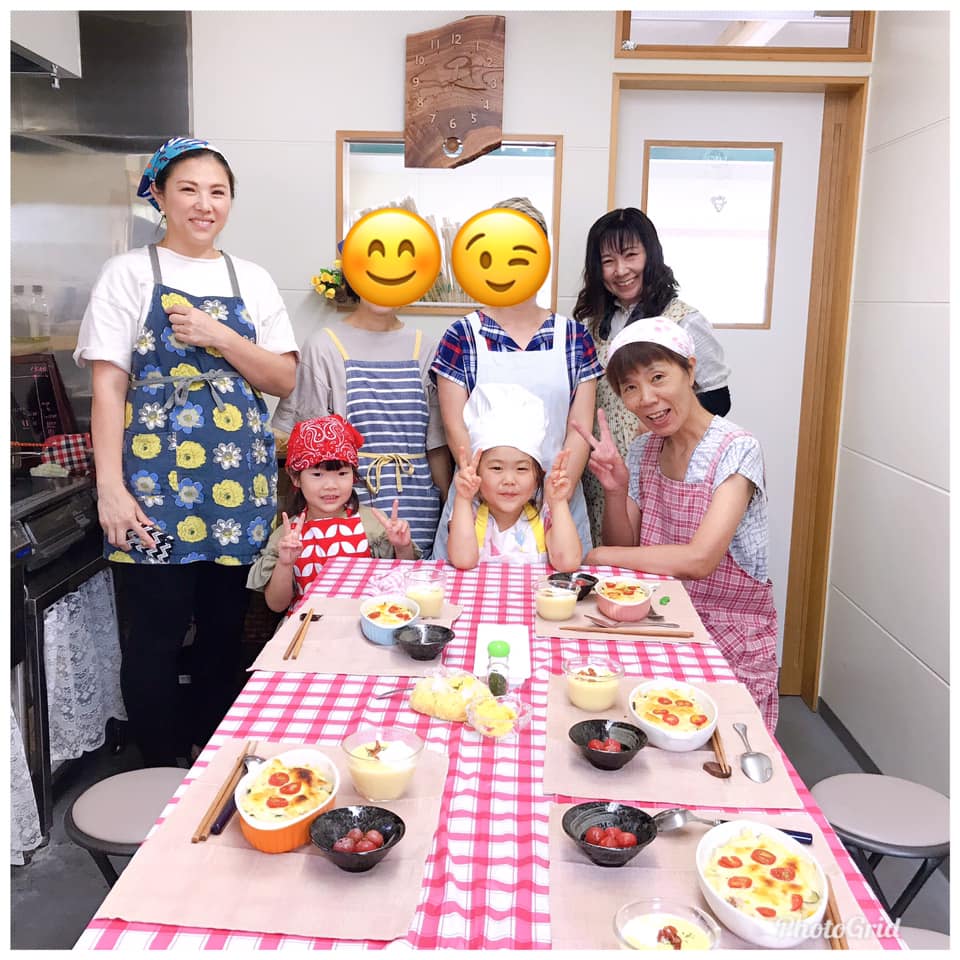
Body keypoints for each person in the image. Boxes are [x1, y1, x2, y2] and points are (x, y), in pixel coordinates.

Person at [74, 136, 299, 766]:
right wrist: (111, 489)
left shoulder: (251, 279)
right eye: (189, 189)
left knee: (225, 632)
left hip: (237, 485)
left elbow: (283, 378)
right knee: (156, 634)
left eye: (218, 191)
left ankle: (211, 762)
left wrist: (218, 335)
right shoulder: (127, 274)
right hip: (152, 487)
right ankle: (159, 768)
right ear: (159, 195)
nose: (205, 204)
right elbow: (107, 388)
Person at [573, 317, 778, 731]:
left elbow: (700, 560)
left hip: (729, 633)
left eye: (658, 377)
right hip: (659, 622)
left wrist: (598, 554)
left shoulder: (736, 448)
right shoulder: (644, 449)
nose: (646, 398)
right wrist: (616, 491)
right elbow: (627, 548)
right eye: (630, 387)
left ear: (690, 369)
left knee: (728, 745)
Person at [431, 196, 603, 560]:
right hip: (478, 506)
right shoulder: (462, 336)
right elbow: (456, 429)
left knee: (559, 590)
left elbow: (579, 429)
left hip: (558, 501)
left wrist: (555, 495)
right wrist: (487, 490)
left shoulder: (574, 337)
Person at [573, 207, 732, 546]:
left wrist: (659, 425)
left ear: (651, 255)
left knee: (661, 558)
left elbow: (720, 398)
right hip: (604, 473)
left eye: (631, 255)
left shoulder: (684, 320)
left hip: (663, 470)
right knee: (610, 556)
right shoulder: (591, 325)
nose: (621, 270)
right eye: (608, 261)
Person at [271, 265, 449, 558]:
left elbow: (436, 444)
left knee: (412, 577)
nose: (384, 285)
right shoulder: (324, 345)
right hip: (348, 498)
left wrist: (447, 506)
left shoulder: (426, 347)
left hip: (417, 498)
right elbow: (310, 449)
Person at [247, 415, 419, 612]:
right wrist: (285, 564)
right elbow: (277, 605)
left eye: (342, 474)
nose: (330, 485)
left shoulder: (372, 523)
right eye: (317, 474)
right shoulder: (286, 536)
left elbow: (403, 582)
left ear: (353, 475)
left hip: (367, 621)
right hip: (308, 625)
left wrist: (402, 547)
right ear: (296, 478)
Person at [446, 383, 581, 571]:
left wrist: (558, 503)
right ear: (477, 474)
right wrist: (463, 498)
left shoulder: (545, 517)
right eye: (496, 468)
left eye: (521, 469)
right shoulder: (469, 514)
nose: (509, 480)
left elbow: (568, 562)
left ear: (537, 478)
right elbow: (463, 560)